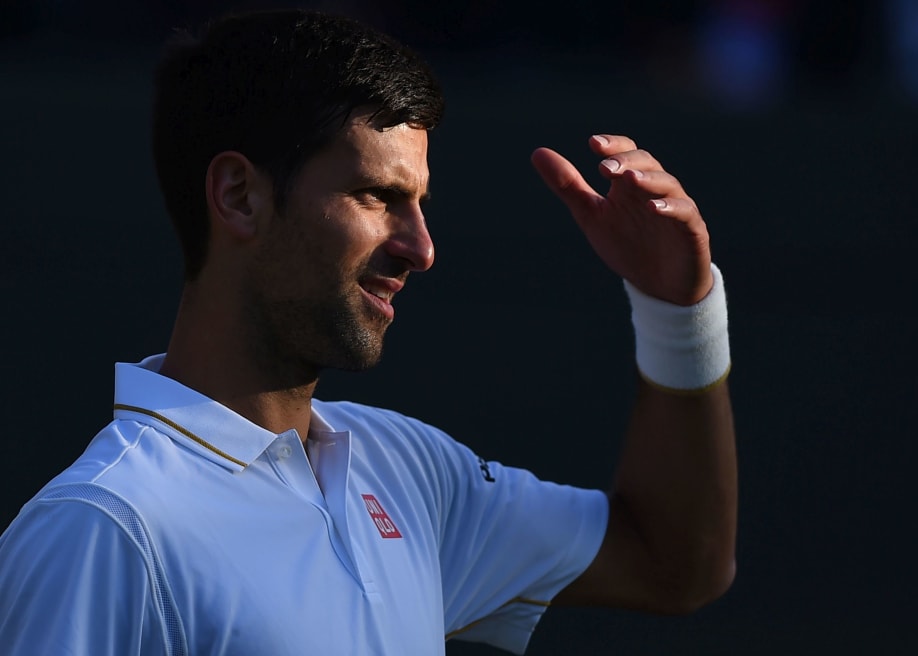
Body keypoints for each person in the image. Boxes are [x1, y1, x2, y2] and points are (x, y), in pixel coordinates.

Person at [0, 9, 737, 655]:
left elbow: (676, 563)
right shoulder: (102, 527)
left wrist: (678, 312)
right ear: (239, 196)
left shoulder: (409, 472)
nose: (421, 249)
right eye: (378, 197)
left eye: (417, 203)